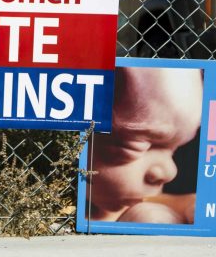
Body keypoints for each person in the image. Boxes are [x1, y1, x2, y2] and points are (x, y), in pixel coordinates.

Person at [87, 66, 203, 224]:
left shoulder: (117, 199)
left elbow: (155, 200)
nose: (169, 172)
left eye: (174, 150)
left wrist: (189, 203)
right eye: (135, 146)